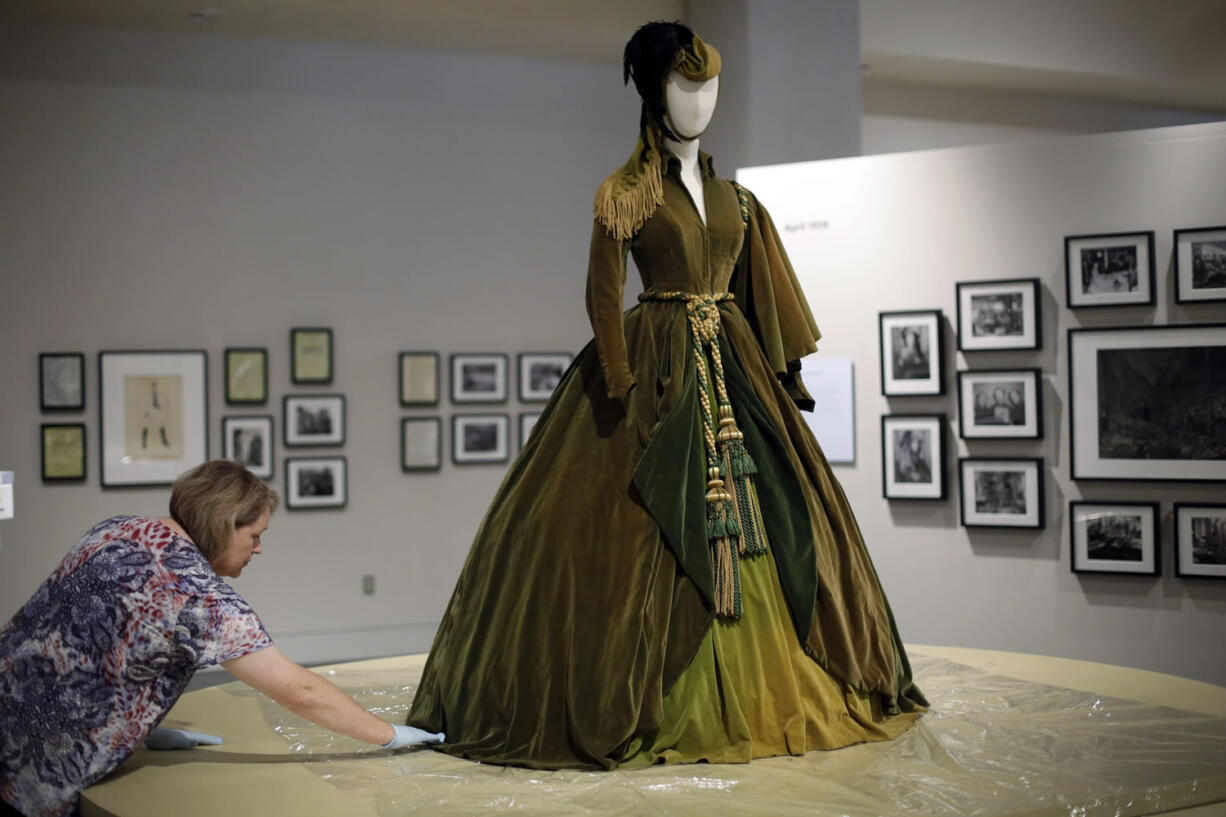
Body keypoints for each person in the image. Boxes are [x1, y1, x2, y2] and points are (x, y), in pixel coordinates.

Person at [408, 21, 925, 770]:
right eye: (687, 85)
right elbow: (600, 294)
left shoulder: (738, 201)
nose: (702, 100)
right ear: (655, 92)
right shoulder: (623, 196)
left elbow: (762, 293)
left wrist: (782, 378)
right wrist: (620, 385)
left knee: (785, 519)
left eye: (711, 84)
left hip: (736, 367)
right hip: (654, 366)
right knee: (624, 532)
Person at [0, 460, 441, 817]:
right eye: (255, 536)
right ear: (224, 524)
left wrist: (139, 726)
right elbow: (301, 691)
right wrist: (388, 734)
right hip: (39, 762)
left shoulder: (117, 529)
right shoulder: (198, 598)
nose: (259, 549)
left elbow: (89, 639)